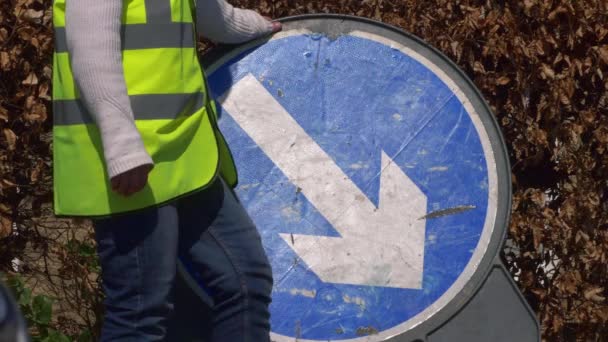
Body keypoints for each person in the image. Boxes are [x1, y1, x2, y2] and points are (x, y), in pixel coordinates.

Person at [52, 0, 281, 340]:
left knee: (245, 279)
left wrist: (262, 26)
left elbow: (215, 17)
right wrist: (123, 148)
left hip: (185, 158)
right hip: (131, 165)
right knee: (138, 312)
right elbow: (90, 51)